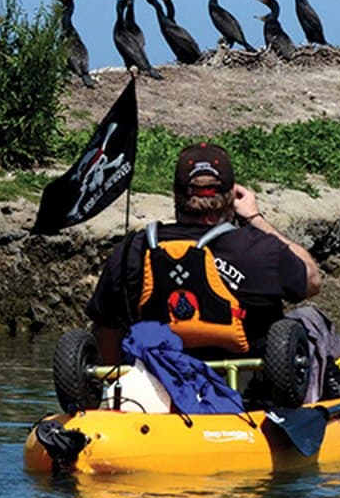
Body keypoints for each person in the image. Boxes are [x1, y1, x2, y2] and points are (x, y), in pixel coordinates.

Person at [86, 142, 323, 366]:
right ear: (232, 195)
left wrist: (115, 385)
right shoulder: (260, 249)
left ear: (176, 195)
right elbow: (312, 280)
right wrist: (254, 218)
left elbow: (107, 329)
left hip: (158, 383)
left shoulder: (133, 249)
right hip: (246, 388)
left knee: (109, 321)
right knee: (310, 319)